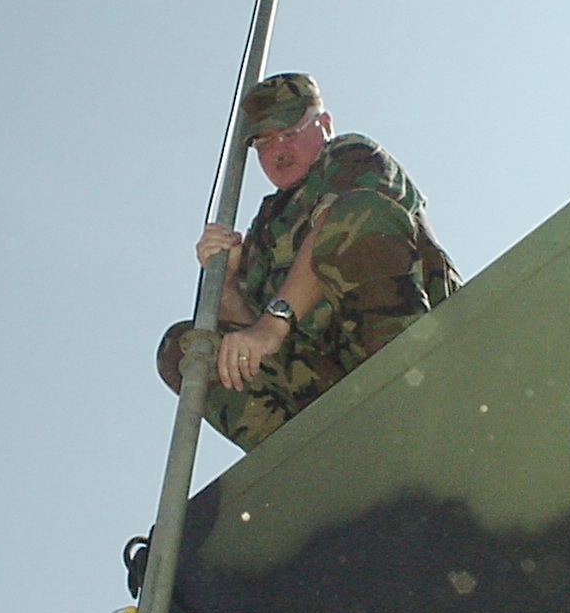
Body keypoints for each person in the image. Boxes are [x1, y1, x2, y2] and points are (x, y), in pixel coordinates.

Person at [158, 73, 460, 451]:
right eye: (263, 141)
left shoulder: (350, 155)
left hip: (408, 354)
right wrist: (228, 282)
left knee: (353, 216)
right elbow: (252, 342)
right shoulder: (265, 229)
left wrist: (273, 323)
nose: (278, 149)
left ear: (325, 124)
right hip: (334, 390)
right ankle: (308, 459)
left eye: (290, 131)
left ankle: (407, 393)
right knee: (189, 348)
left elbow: (345, 226)